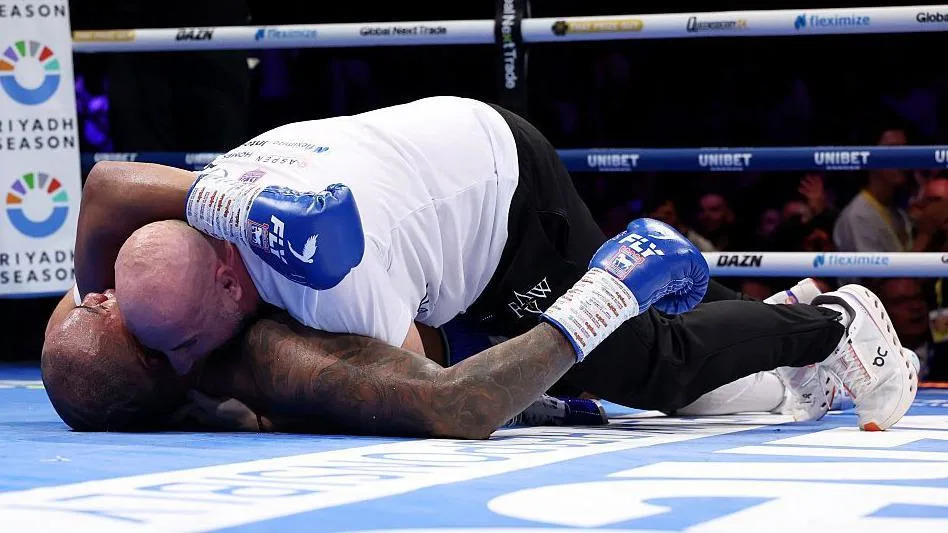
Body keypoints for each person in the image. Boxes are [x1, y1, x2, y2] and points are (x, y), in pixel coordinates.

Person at [48, 97, 916, 435]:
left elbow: (429, 374)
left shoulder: (329, 275)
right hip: (437, 178)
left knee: (649, 366)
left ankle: (834, 318)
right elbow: (103, 190)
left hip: (499, 204)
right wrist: (208, 200)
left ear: (230, 281)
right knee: (638, 355)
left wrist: (267, 396)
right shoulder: (190, 225)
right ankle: (793, 306)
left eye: (188, 343)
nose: (192, 362)